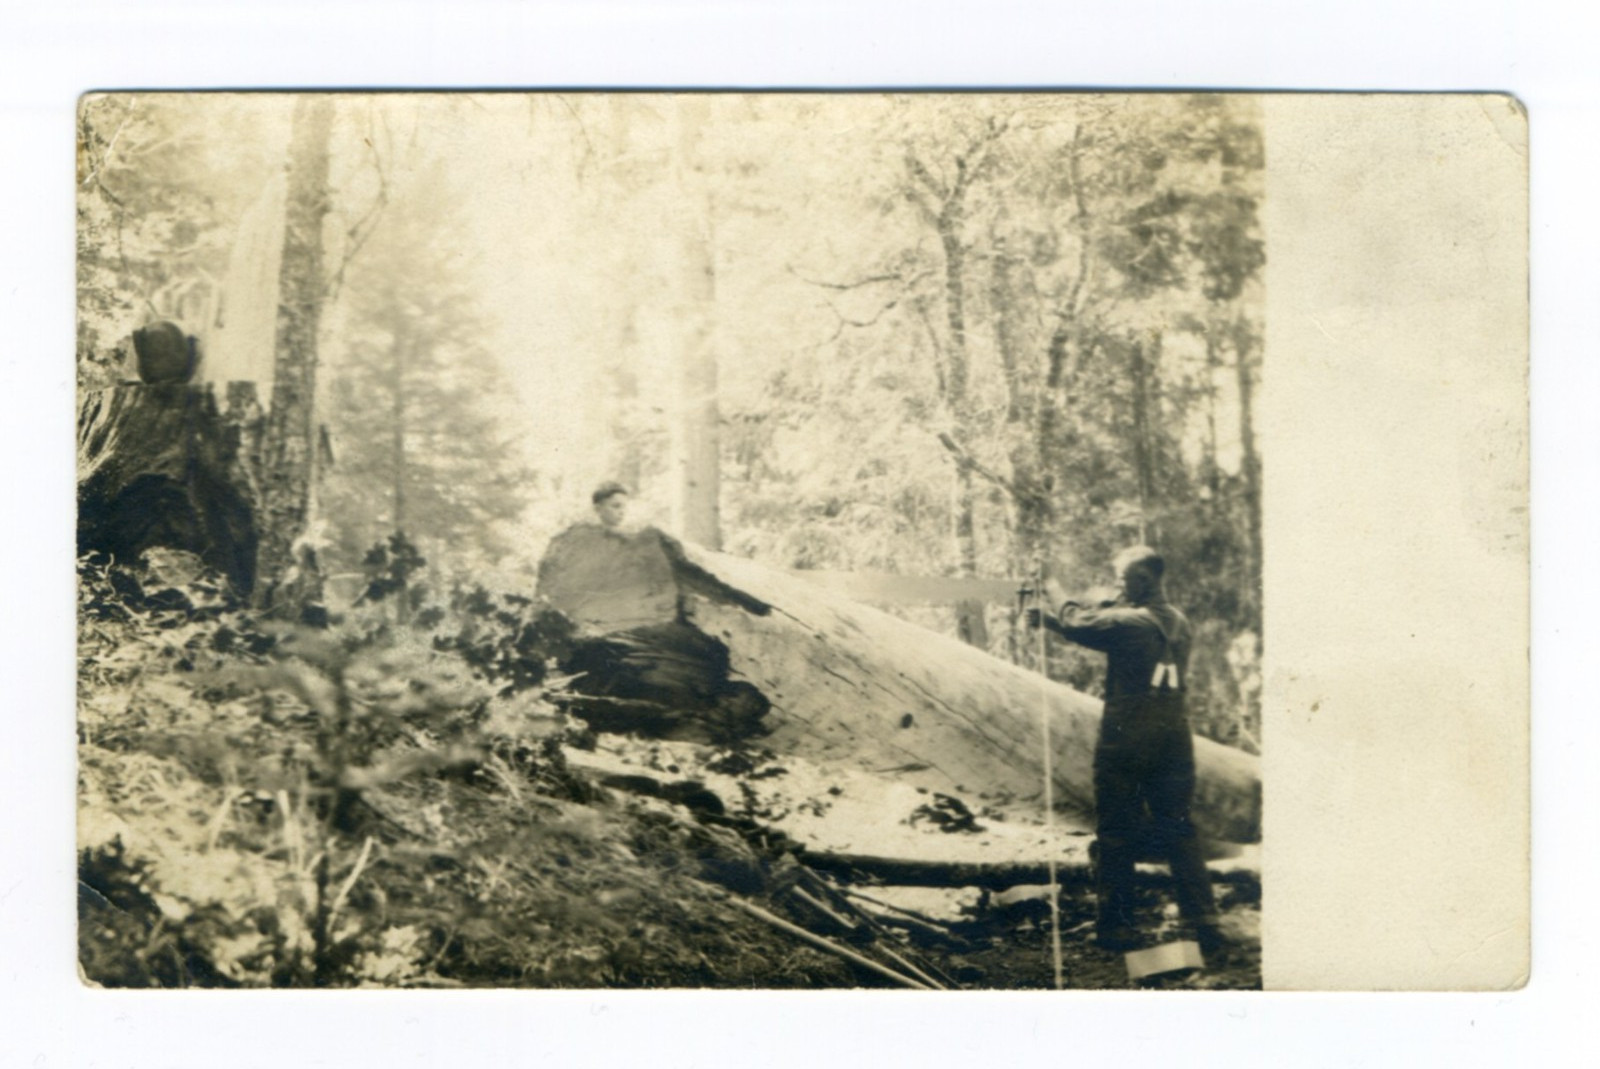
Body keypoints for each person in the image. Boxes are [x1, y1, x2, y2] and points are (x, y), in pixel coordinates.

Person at [1028, 546, 1224, 956]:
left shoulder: (1134, 621)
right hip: (1173, 737)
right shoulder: (1178, 622)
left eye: (1122, 578)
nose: (1117, 585)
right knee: (1179, 829)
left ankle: (1117, 928)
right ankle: (1205, 925)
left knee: (1117, 832)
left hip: (1129, 738)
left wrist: (1050, 587)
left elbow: (1080, 621)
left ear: (1145, 581)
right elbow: (1109, 633)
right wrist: (1050, 622)